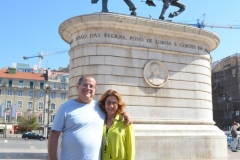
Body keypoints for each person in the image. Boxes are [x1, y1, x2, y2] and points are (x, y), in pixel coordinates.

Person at [48, 75, 132, 160]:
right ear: (77, 86)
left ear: (95, 89)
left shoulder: (100, 107)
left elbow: (112, 111)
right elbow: (54, 135)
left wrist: (124, 113)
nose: (88, 88)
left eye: (91, 86)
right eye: (85, 85)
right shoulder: (65, 107)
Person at [98, 90, 135, 160]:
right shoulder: (100, 121)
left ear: (118, 105)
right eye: (108, 102)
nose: (111, 106)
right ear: (104, 104)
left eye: (114, 103)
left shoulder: (125, 121)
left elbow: (131, 147)